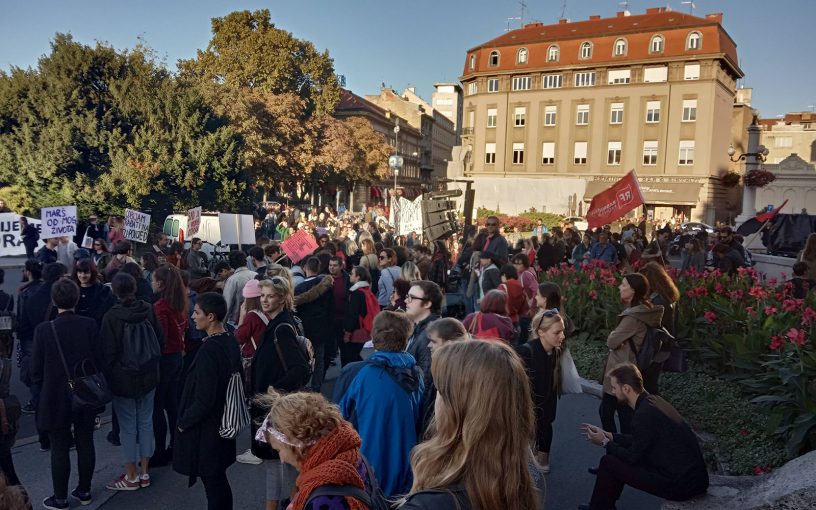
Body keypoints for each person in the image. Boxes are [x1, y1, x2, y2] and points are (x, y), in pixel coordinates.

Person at [399, 340, 543, 510]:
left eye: (440, 391)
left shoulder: (429, 504)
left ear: (456, 407)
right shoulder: (525, 474)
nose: (436, 400)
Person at [580, 363, 709, 510]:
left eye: (615, 388)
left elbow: (632, 457)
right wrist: (609, 435)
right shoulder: (654, 401)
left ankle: (599, 508)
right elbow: (640, 440)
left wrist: (604, 442)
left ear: (626, 388)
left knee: (609, 462)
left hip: (680, 485)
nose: (614, 392)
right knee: (613, 461)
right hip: (693, 479)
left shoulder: (643, 415)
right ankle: (602, 506)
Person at [333, 311, 423, 498]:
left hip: (367, 471)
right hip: (410, 469)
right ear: (407, 339)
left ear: (373, 337)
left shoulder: (357, 373)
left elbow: (336, 420)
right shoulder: (417, 374)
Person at [31, 279, 99, 509]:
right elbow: (97, 359)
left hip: (54, 395)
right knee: (85, 440)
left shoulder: (44, 330)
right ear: (77, 298)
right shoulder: (90, 324)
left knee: (59, 446)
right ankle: (85, 490)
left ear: (53, 300)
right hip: (85, 392)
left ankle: (59, 498)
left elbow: (36, 369)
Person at [254, 390, 381, 510]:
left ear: (297, 444)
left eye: (279, 450)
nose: (281, 460)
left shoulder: (323, 498)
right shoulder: (351, 456)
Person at [173, 293, 240, 510]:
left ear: (210, 317)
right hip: (222, 422)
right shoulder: (228, 339)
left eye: (197, 312)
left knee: (213, 484)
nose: (192, 316)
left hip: (208, 429)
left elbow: (205, 398)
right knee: (218, 481)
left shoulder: (210, 350)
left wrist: (184, 422)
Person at [249, 276, 309, 510]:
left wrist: (272, 392)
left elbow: (299, 370)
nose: (264, 300)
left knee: (274, 459)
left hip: (274, 406)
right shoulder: (281, 321)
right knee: (284, 459)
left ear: (282, 298)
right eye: (262, 295)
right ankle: (294, 500)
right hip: (277, 405)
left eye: (270, 296)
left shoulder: (282, 327)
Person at [100, 273, 164, 491]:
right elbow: (160, 339)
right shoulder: (148, 308)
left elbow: (107, 353)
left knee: (127, 428)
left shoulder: (112, 316)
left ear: (114, 291)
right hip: (149, 375)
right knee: (146, 423)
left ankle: (131, 476)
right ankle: (145, 472)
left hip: (123, 379)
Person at [599, 274, 663, 435]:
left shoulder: (633, 317)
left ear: (633, 291)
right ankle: (622, 448)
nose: (620, 287)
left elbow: (612, 341)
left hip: (622, 370)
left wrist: (616, 336)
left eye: (623, 284)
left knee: (616, 414)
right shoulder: (643, 310)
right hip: (626, 367)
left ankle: (619, 449)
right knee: (619, 413)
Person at [517, 309, 567, 474]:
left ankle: (542, 460)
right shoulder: (526, 352)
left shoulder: (555, 351)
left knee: (545, 427)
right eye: (557, 332)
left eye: (563, 331)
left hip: (546, 406)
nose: (562, 336)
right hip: (528, 408)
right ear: (541, 332)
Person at [150, 266, 188, 467]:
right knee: (172, 404)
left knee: (158, 406)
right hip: (176, 357)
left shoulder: (161, 307)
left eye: (154, 280)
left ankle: (160, 450)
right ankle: (175, 445)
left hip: (165, 359)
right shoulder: (179, 303)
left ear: (161, 283)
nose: (152, 283)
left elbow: (161, 337)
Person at [418, 318, 468, 434]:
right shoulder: (443, 369)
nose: (429, 345)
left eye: (434, 341)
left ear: (450, 344)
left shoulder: (457, 376)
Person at [294, 257, 334, 393]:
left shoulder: (299, 288)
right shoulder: (327, 286)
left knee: (303, 359)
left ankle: (302, 386)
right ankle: (316, 387)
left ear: (305, 268)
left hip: (304, 328)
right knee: (319, 359)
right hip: (322, 327)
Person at [640, 262, 680, 394]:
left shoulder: (658, 301)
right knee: (649, 382)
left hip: (655, 347)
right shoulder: (667, 295)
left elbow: (655, 325)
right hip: (661, 346)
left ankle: (652, 410)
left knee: (648, 384)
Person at [405, 281, 443, 386]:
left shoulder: (430, 334)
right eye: (407, 296)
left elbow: (426, 380)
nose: (406, 301)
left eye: (411, 297)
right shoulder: (421, 328)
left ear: (427, 303)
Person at [341, 266, 378, 366]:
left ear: (358, 277)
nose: (349, 275)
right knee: (355, 357)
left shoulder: (356, 293)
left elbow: (352, 314)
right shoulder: (366, 290)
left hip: (355, 332)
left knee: (350, 359)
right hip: (363, 330)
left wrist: (347, 333)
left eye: (352, 273)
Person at [72, 258, 115, 326]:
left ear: (92, 273)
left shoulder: (103, 291)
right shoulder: (72, 290)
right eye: (80, 272)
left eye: (86, 272)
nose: (82, 276)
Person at [222, 250, 255, 327]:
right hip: (255, 319)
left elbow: (227, 304)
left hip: (236, 322)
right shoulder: (255, 275)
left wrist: (222, 325)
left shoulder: (232, 280)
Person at [499, 264, 527, 337]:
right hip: (516, 321)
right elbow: (523, 309)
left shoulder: (503, 286)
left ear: (504, 275)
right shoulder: (520, 287)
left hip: (504, 321)